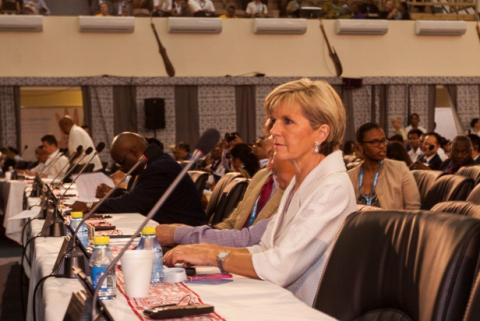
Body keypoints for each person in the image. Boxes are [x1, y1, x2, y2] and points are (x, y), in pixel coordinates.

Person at [163, 78, 356, 306]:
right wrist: (207, 250)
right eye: (274, 121)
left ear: (321, 133)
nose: (273, 130)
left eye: (288, 121)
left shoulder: (332, 187)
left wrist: (212, 256)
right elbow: (264, 249)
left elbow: (280, 267)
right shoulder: (301, 182)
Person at [156, 156, 295, 246]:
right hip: (234, 249)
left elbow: (250, 239)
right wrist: (201, 235)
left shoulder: (295, 188)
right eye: (270, 154)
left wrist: (183, 235)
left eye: (276, 152)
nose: (269, 163)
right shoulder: (262, 176)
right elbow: (232, 222)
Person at [78, 132, 206, 225]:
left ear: (135, 152)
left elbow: (133, 204)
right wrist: (112, 193)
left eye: (122, 162)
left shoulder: (160, 168)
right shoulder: (153, 163)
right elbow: (140, 196)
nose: (122, 169)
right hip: (168, 227)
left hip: (185, 234)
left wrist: (89, 205)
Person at [349, 122, 420, 210]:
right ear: (360, 146)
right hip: (357, 223)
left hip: (394, 223)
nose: (382, 146)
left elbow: (413, 209)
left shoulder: (400, 169)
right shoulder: (350, 176)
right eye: (374, 142)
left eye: (383, 141)